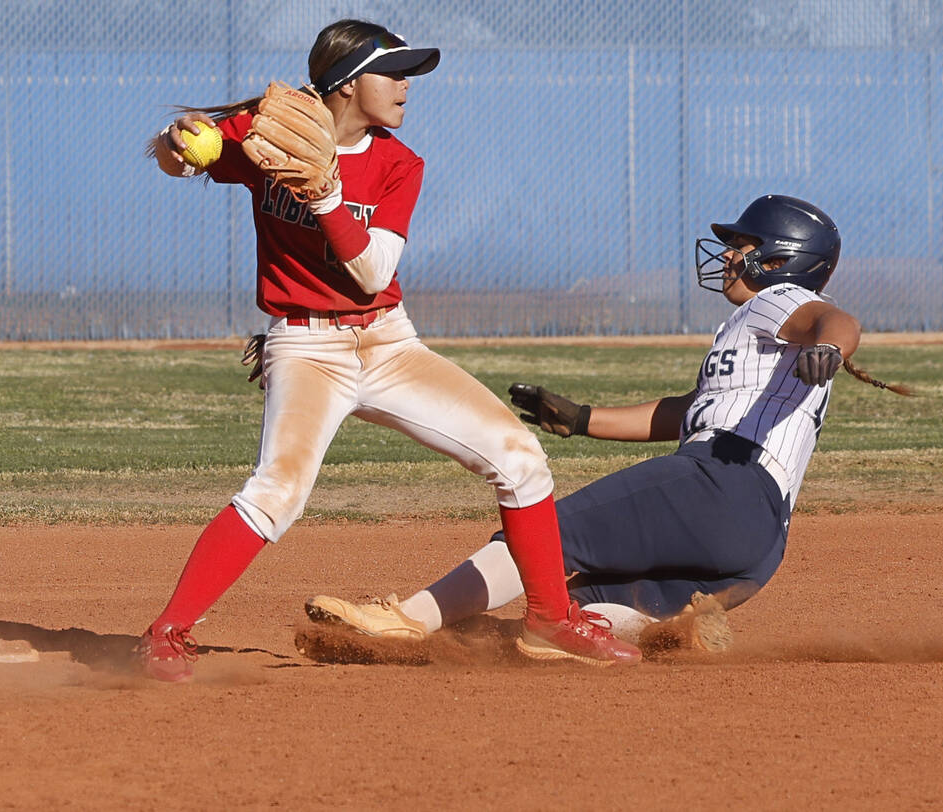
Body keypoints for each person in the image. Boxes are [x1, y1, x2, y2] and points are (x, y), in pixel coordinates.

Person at [138, 19, 638, 681]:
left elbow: (373, 271)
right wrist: (179, 146)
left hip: (387, 342)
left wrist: (324, 195)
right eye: (394, 71)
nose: (406, 86)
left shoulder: (398, 163)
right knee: (278, 492)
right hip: (305, 346)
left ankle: (550, 618)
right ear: (346, 84)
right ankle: (167, 632)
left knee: (520, 458)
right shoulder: (272, 132)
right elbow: (179, 157)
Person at [304, 194, 910, 653]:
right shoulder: (756, 333)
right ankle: (549, 639)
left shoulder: (776, 301)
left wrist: (832, 347)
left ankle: (407, 621)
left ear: (783, 260)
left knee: (541, 531)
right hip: (757, 542)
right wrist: (585, 419)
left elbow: (836, 321)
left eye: (744, 244)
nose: (729, 254)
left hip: (720, 485)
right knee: (576, 603)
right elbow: (687, 413)